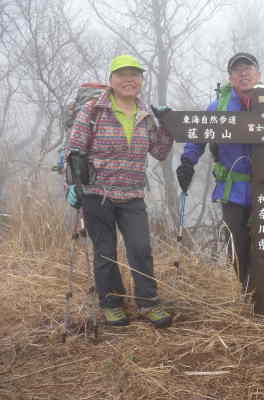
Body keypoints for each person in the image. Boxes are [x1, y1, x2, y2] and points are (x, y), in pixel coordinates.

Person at [65, 54, 174, 328]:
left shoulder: (145, 114)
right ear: (111, 80)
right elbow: (74, 150)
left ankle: (148, 302)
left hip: (133, 195)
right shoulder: (93, 110)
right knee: (105, 252)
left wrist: (167, 124)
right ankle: (112, 303)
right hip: (96, 194)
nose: (129, 80)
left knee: (141, 248)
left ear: (141, 80)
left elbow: (160, 151)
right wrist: (73, 186)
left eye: (134, 75)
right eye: (122, 75)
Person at [176, 52, 260, 296]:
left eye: (248, 68)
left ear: (258, 75)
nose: (243, 74)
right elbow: (198, 135)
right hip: (231, 188)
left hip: (263, 187)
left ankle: (262, 295)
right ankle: (247, 291)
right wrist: (188, 161)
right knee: (236, 242)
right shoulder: (218, 107)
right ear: (230, 78)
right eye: (237, 70)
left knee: (262, 244)